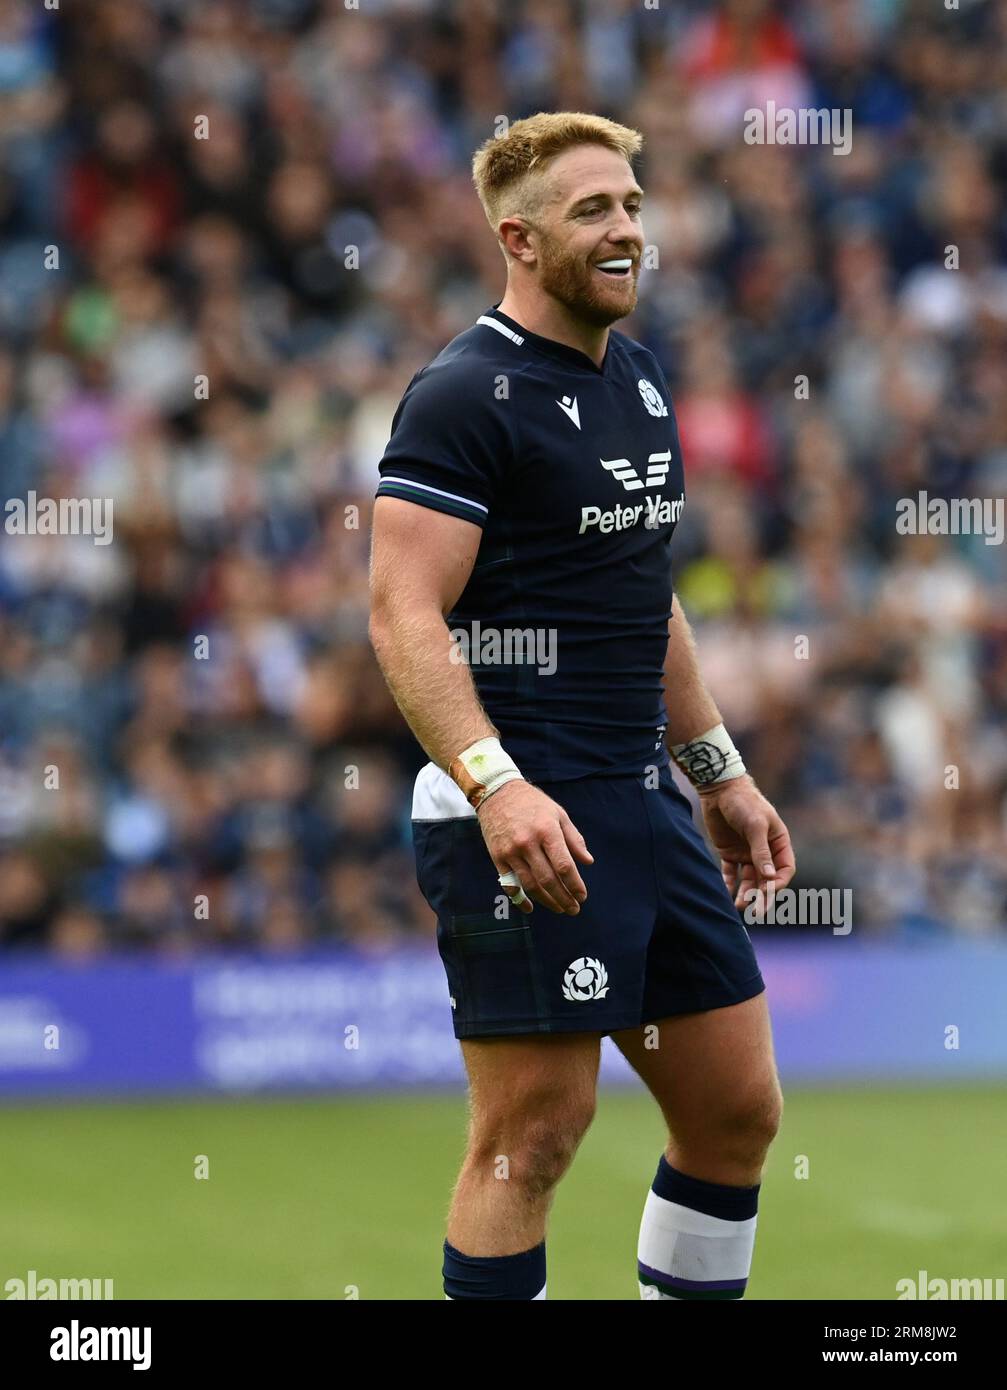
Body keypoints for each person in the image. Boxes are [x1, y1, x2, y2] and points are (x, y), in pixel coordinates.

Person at [369, 112, 795, 1301]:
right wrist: (493, 786)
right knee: (532, 1138)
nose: (625, 231)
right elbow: (401, 614)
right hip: (520, 810)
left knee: (735, 1113)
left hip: (638, 802)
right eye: (593, 211)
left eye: (632, 206)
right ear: (518, 236)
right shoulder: (461, 395)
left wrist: (717, 770)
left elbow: (641, 599)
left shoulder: (643, 381)